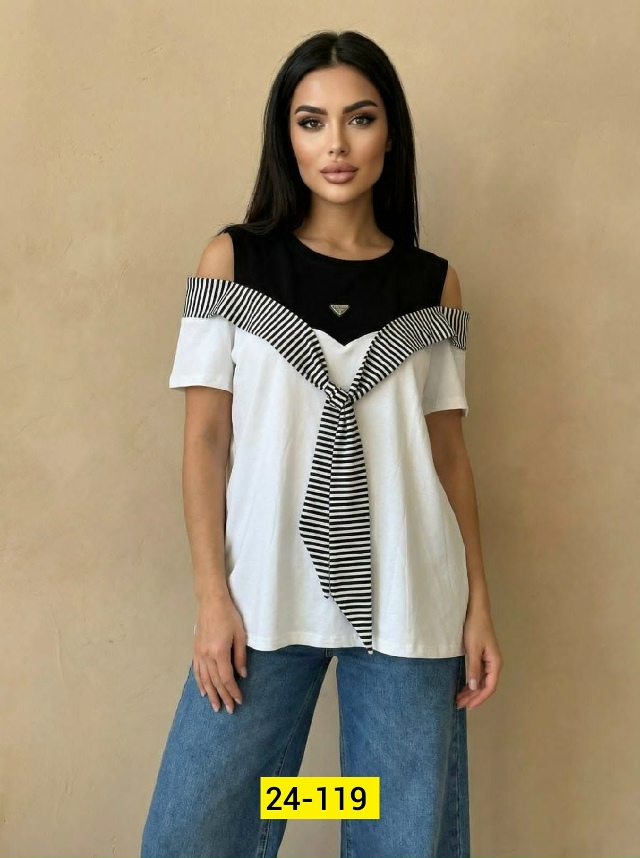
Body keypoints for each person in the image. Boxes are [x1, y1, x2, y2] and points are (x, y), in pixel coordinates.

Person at [140, 29, 502, 858]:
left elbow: (448, 455)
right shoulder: (233, 262)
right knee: (195, 833)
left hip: (411, 593)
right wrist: (211, 596)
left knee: (395, 838)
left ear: (389, 134)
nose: (335, 144)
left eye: (359, 118)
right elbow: (205, 440)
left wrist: (479, 601)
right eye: (312, 122)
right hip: (262, 591)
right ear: (287, 136)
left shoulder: (432, 283)